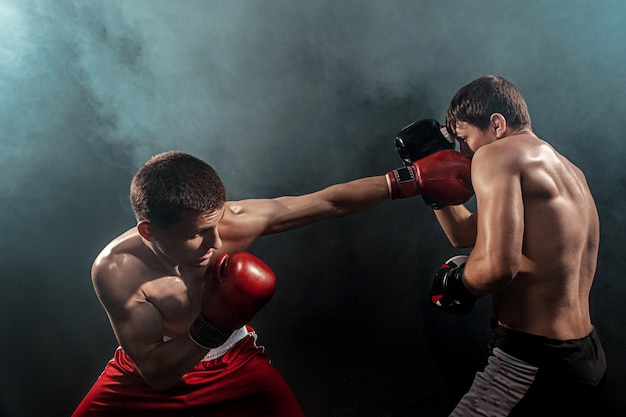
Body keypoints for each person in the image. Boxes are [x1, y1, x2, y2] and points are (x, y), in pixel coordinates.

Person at [72, 125, 473, 417]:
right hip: (147, 372)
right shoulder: (116, 270)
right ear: (149, 231)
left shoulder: (234, 222)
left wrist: (411, 179)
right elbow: (156, 373)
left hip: (232, 364)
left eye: (217, 224)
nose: (216, 244)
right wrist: (214, 321)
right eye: (196, 235)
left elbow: (328, 202)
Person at [427, 75, 606, 416]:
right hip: (586, 355)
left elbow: (497, 267)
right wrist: (433, 187)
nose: (463, 153)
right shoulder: (568, 171)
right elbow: (466, 233)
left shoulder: (497, 155)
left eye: (464, 138)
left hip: (534, 359)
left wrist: (456, 283)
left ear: (496, 123)